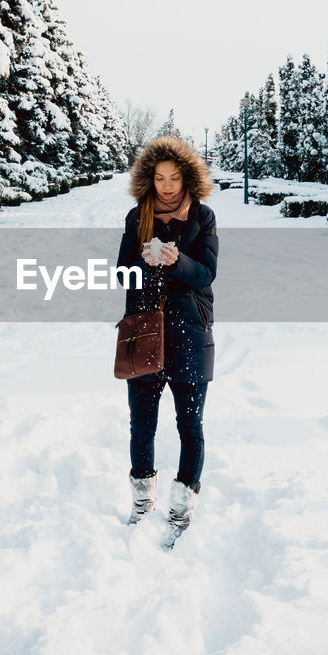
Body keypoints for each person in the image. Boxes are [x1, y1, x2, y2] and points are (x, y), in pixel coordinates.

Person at [114, 136, 218, 546]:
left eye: (175, 177)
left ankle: (182, 506)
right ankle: (141, 505)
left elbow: (206, 274)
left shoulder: (204, 217)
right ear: (149, 180)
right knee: (142, 426)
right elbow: (123, 273)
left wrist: (177, 260)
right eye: (160, 178)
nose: (168, 186)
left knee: (189, 425)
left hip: (191, 334)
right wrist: (145, 260)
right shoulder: (136, 216)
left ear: (187, 177)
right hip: (145, 333)